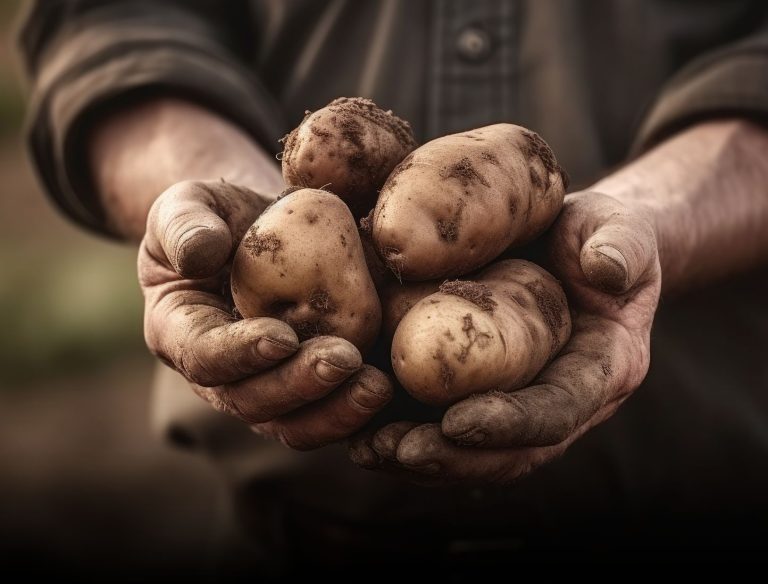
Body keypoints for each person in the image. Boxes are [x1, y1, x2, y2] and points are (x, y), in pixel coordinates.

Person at [18, 0, 768, 572]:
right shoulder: (330, 217)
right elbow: (107, 17)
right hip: (289, 538)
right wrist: (221, 201)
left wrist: (652, 224)